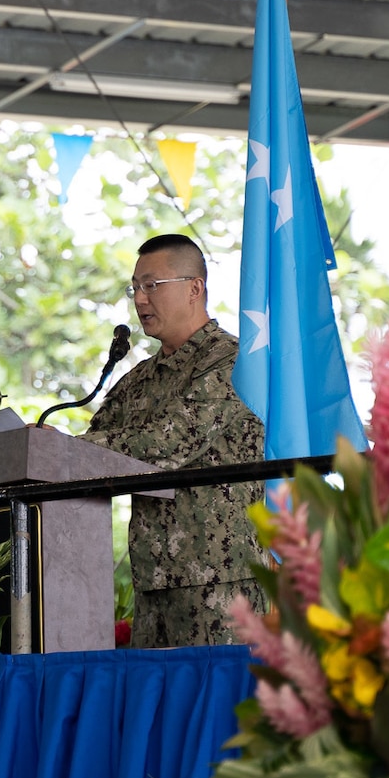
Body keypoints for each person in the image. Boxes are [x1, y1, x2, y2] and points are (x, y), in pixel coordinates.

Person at [79, 234, 266, 648]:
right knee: (161, 709)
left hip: (222, 578)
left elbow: (168, 445)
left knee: (220, 708)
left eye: (152, 286)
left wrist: (76, 445)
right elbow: (83, 451)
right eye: (135, 288)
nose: (140, 300)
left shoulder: (234, 362)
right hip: (154, 580)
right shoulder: (139, 379)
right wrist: (45, 445)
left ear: (194, 288)